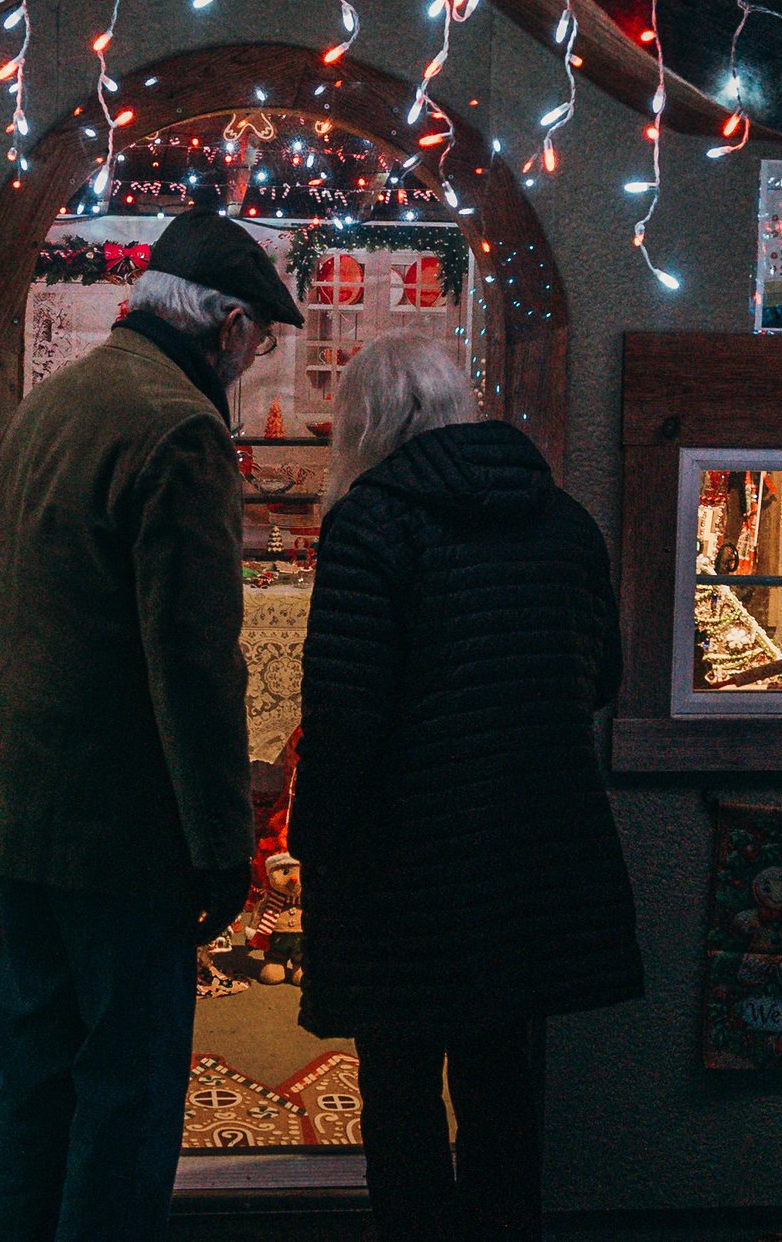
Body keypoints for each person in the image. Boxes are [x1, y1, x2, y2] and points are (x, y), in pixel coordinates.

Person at [0, 207, 305, 1242]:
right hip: (117, 815)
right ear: (225, 324)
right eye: (257, 339)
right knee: (127, 1087)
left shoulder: (55, 400)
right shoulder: (180, 426)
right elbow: (191, 662)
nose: (254, 358)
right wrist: (221, 837)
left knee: (36, 1067)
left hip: (15, 795)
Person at [289, 334, 641, 1242]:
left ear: (364, 421)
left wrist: (314, 838)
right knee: (501, 1086)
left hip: (400, 867)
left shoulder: (370, 523)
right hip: (531, 855)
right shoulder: (564, 522)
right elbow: (601, 677)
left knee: (399, 1094)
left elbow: (343, 713)